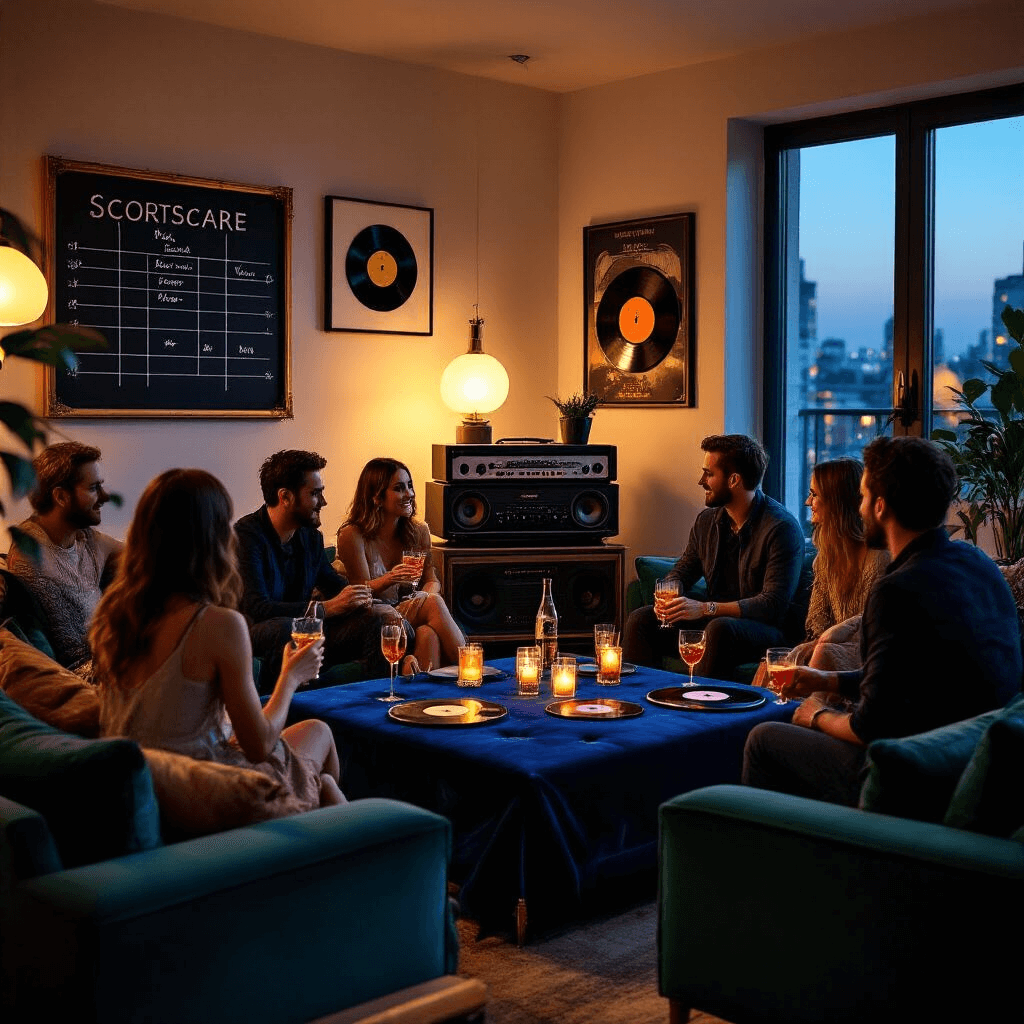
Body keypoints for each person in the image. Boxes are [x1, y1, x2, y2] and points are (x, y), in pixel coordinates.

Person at [743, 436, 1022, 806]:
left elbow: (872, 726)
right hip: (960, 755)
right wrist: (826, 680)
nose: (857, 509)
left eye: (861, 497)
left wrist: (818, 714)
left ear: (880, 506)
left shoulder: (896, 590)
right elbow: (908, 678)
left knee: (763, 738)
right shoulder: (979, 565)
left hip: (912, 772)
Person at [93, 469, 344, 808]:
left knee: (316, 732)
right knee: (323, 762)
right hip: (206, 789)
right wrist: (290, 676)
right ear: (212, 539)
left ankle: (322, 823)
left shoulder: (112, 616)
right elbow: (258, 745)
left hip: (150, 786)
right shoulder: (217, 624)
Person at [623, 434, 805, 680]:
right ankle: (643, 702)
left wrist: (706, 608)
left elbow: (771, 605)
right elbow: (683, 570)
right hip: (714, 624)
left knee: (720, 627)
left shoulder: (781, 528)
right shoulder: (707, 521)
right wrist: (670, 593)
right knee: (641, 619)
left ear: (733, 480)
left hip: (764, 630)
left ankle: (699, 709)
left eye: (708, 474)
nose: (701, 481)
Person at [235, 450, 414, 691]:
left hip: (309, 628)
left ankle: (374, 704)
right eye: (315, 493)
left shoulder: (310, 538)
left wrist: (367, 603)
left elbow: (335, 587)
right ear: (285, 497)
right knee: (292, 629)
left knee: (377, 622)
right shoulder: (247, 536)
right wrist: (323, 609)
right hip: (259, 632)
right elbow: (256, 607)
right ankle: (291, 713)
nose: (324, 502)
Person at [336, 458, 465, 669]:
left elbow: (431, 580)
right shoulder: (352, 534)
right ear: (376, 497)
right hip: (370, 615)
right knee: (433, 605)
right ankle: (473, 670)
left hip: (404, 608)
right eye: (399, 488)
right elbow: (359, 591)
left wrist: (424, 595)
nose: (409, 494)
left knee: (428, 633)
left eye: (409, 486)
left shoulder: (418, 531)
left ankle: (421, 696)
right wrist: (389, 579)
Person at [6, 441, 122, 670]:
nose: (105, 496)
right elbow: (74, 657)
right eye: (93, 488)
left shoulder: (84, 538)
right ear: (61, 497)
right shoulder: (32, 559)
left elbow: (147, 555)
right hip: (87, 677)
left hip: (111, 663)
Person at [784, 458, 889, 672]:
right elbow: (817, 624)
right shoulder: (824, 559)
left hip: (869, 660)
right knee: (774, 663)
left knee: (823, 654)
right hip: (828, 650)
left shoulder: (879, 559)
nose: (807, 501)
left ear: (836, 501)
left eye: (814, 494)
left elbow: (872, 629)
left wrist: (821, 647)